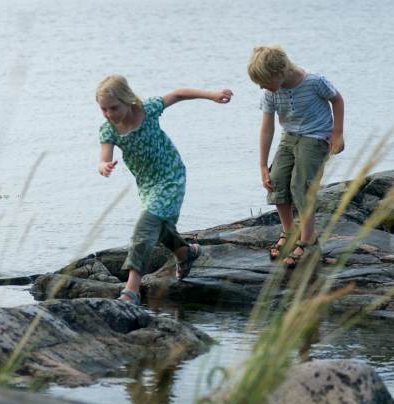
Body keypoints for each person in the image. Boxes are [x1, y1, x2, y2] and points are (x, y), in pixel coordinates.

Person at [96, 74, 233, 304]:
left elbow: (178, 94)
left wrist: (212, 95)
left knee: (145, 227)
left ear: (127, 99)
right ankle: (186, 253)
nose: (109, 114)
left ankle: (131, 291)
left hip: (171, 175)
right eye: (104, 109)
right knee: (160, 228)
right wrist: (103, 166)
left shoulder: (147, 109)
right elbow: (104, 155)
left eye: (114, 107)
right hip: (148, 184)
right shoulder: (108, 129)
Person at [247, 45, 345, 269]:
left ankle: (308, 241)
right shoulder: (270, 92)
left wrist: (337, 133)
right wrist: (263, 165)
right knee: (277, 181)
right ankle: (289, 231)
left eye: (263, 81)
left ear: (279, 73)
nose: (261, 86)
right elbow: (267, 128)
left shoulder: (314, 81)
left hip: (315, 137)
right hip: (289, 137)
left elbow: (337, 100)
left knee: (301, 186)